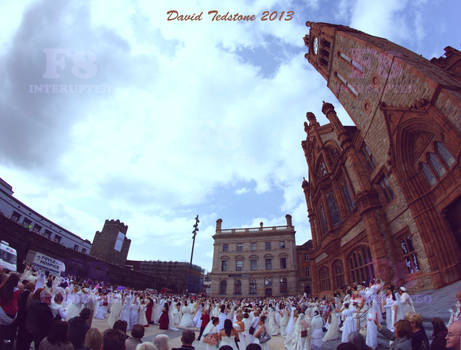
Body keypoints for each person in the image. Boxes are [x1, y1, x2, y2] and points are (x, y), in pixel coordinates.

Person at [0, 273, 21, 345]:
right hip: (11, 316)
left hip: (2, 313)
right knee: (4, 338)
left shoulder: (2, 288)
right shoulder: (17, 291)